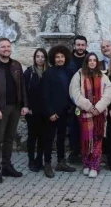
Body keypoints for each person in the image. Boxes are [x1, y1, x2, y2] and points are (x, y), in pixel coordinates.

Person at [0, 37, 29, 183]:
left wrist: (24, 105)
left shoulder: (16, 65)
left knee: (9, 138)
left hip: (15, 107)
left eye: (8, 47)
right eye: (3, 47)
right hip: (0, 108)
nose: (6, 49)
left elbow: (22, 86)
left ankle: (7, 166)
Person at [70, 52, 111, 178]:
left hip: (99, 115)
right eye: (90, 60)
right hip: (85, 114)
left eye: (95, 60)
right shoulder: (79, 75)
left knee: (97, 139)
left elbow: (107, 93)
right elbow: (74, 92)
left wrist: (98, 108)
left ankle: (95, 166)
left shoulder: (103, 76)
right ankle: (87, 164)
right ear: (87, 62)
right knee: (86, 139)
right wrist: (88, 106)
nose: (92, 62)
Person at [41, 45, 77, 178]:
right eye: (57, 57)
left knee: (61, 138)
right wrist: (50, 112)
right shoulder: (48, 73)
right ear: (53, 58)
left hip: (64, 111)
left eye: (62, 57)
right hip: (52, 113)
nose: (60, 59)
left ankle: (61, 162)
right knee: (49, 138)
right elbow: (44, 95)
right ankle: (48, 164)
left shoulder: (68, 72)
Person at [23, 48, 48, 173]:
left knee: (43, 136)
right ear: (34, 58)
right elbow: (24, 92)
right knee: (32, 136)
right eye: (38, 56)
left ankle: (39, 160)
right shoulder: (29, 72)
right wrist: (27, 107)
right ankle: (31, 161)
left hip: (44, 111)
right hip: (32, 111)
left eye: (42, 56)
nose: (40, 59)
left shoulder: (48, 72)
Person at [67, 35, 88, 164]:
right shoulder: (68, 59)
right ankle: (75, 152)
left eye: (82, 45)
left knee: (87, 127)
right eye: (78, 45)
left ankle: (86, 153)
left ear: (86, 46)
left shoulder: (90, 58)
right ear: (74, 46)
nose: (80, 47)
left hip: (87, 99)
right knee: (74, 128)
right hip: (72, 99)